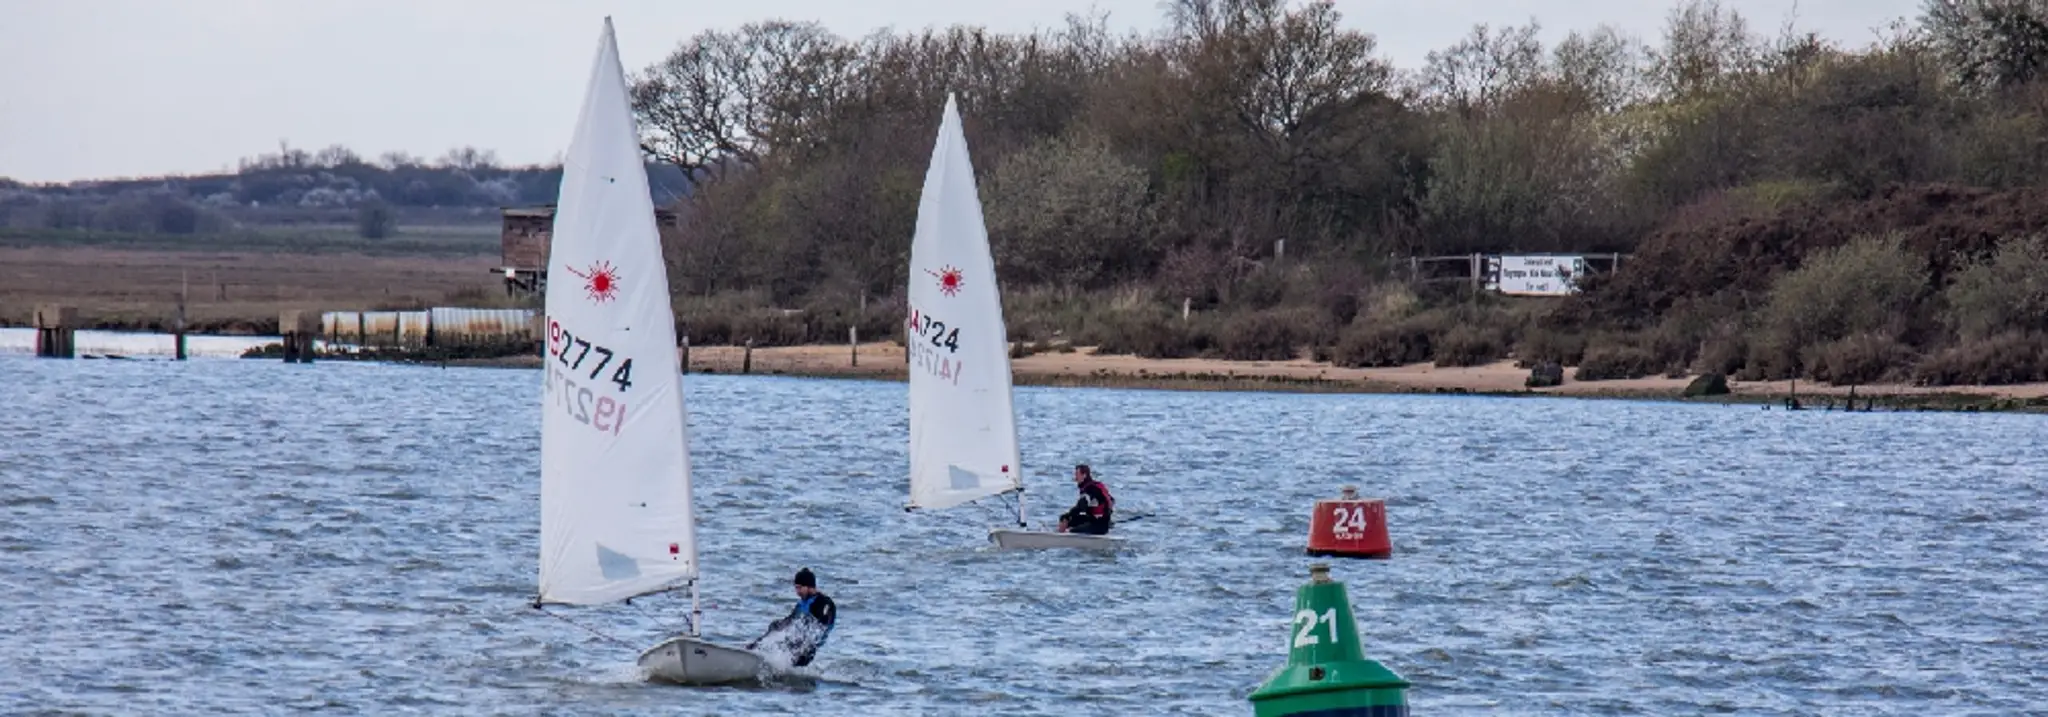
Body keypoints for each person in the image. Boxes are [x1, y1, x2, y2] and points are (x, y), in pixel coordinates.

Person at [747, 567, 836, 667]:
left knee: (801, 642)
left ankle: (785, 668)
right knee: (775, 625)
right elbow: (790, 621)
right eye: (796, 588)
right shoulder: (802, 604)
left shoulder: (825, 603)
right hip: (798, 638)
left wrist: (805, 641)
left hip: (810, 646)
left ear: (809, 586)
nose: (797, 592)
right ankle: (755, 648)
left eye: (799, 588)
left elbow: (823, 624)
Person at [1056, 463, 1114, 535]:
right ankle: (1060, 532)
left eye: (1077, 474)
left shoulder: (1091, 489)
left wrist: (1067, 516)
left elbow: (1081, 507)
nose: (1075, 477)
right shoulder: (1091, 486)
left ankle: (1063, 535)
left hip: (1100, 525)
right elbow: (1111, 500)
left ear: (1084, 475)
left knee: (1071, 529)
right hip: (1093, 520)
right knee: (1069, 520)